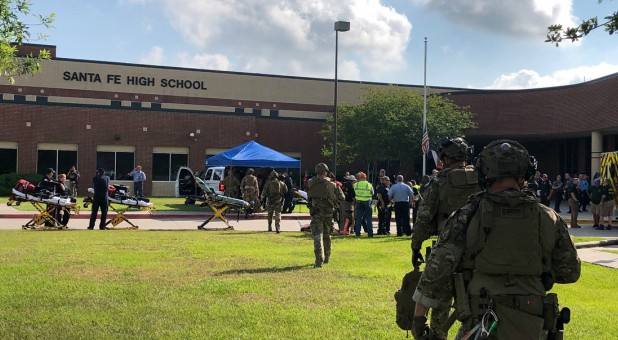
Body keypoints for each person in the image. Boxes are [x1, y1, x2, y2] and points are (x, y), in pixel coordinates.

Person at [411, 140, 581, 340]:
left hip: (481, 323)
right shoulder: (548, 217)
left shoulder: (466, 216)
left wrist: (419, 320)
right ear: (525, 173)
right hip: (534, 323)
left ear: (484, 174)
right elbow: (570, 272)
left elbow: (436, 272)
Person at [410, 137, 480, 339]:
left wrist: (416, 247)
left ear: (445, 159)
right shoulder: (483, 179)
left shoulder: (440, 181)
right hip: (480, 250)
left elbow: (423, 219)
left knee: (440, 299)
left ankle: (438, 334)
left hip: (448, 248)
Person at [307, 163, 344, 267]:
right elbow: (342, 197)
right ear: (326, 171)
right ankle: (327, 258)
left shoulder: (311, 182)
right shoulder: (332, 184)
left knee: (317, 236)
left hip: (316, 212)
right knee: (327, 236)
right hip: (328, 213)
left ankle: (318, 260)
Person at [353, 172, 374, 238]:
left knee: (359, 219)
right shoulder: (369, 184)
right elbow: (372, 193)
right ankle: (370, 234)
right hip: (367, 202)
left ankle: (357, 233)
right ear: (365, 177)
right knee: (368, 219)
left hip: (359, 202)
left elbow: (354, 192)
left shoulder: (355, 184)